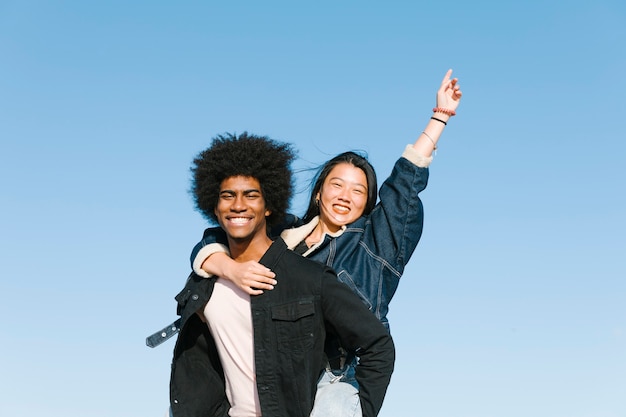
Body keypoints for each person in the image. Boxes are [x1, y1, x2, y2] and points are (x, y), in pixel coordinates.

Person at [186, 69, 463, 414]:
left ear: (367, 202)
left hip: (335, 377)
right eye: (337, 185)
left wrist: (440, 117)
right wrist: (230, 268)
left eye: (358, 190)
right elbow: (217, 237)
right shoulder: (281, 236)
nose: (345, 196)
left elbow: (405, 182)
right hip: (272, 372)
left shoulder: (375, 243)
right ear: (319, 192)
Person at [163, 133, 395, 417]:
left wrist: (363, 409)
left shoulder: (311, 276)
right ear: (214, 205)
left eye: (251, 195)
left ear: (269, 205)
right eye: (227, 195)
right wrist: (228, 267)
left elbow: (377, 344)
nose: (238, 205)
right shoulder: (205, 280)